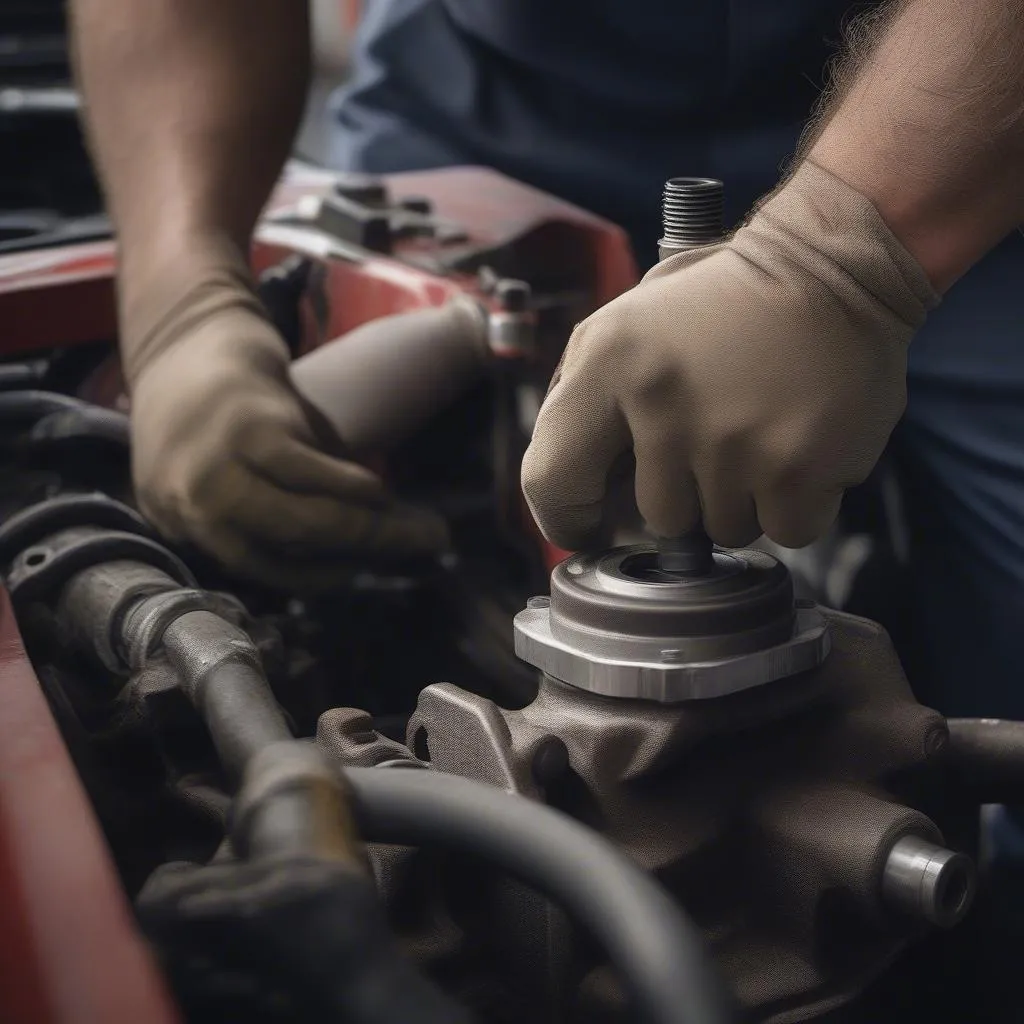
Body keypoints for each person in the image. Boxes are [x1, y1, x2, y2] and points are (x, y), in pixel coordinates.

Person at [71, 0, 1022, 785]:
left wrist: (837, 263)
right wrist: (181, 301)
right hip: (493, 113)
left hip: (971, 110)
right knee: (401, 566)